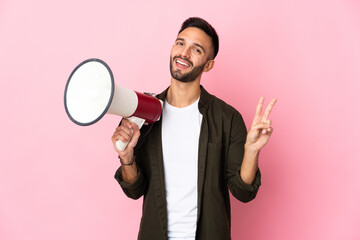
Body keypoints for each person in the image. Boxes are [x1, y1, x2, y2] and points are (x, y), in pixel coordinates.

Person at [111, 17, 277, 240]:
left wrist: (252, 150)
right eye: (180, 43)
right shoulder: (143, 112)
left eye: (196, 49)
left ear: (208, 64)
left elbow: (243, 192)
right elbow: (134, 190)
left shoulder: (227, 118)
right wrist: (126, 156)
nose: (184, 53)